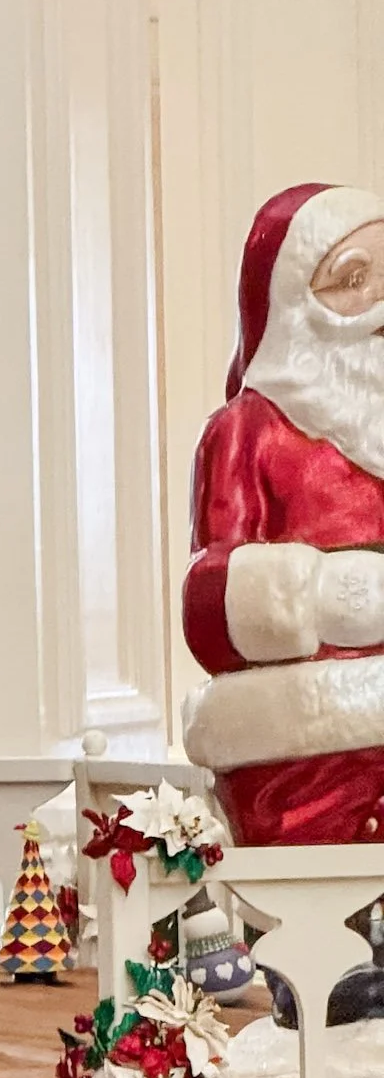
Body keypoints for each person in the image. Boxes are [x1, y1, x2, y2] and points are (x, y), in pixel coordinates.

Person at [183, 184, 384, 843]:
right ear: (293, 302)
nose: (378, 298)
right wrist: (324, 595)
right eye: (352, 280)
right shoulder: (248, 431)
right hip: (303, 752)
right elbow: (209, 604)